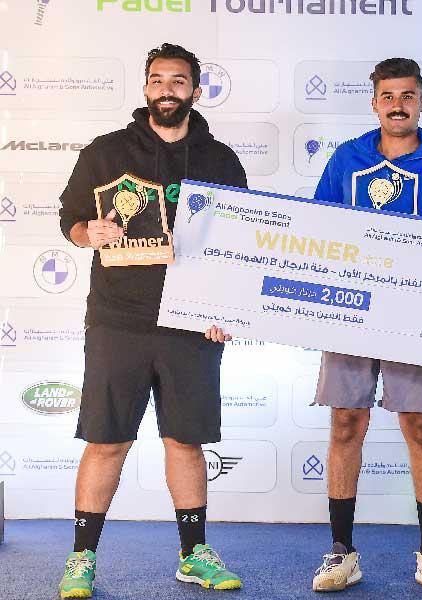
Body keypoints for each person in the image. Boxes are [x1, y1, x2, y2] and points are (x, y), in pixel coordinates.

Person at [57, 42, 247, 599]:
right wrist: (87, 233)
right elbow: (71, 218)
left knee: (185, 441)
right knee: (106, 441)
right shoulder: (106, 151)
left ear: (195, 90)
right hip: (118, 319)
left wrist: (226, 308)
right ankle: (81, 557)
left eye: (179, 81)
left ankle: (194, 555)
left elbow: (239, 242)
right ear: (145, 88)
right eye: (158, 80)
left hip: (192, 323)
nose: (168, 90)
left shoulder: (220, 159)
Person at [309, 57, 422, 594]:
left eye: (407, 96)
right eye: (388, 96)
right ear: (374, 103)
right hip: (351, 312)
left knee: (421, 426)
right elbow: (316, 232)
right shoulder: (346, 159)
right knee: (345, 422)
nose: (397, 105)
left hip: (413, 317)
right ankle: (341, 550)